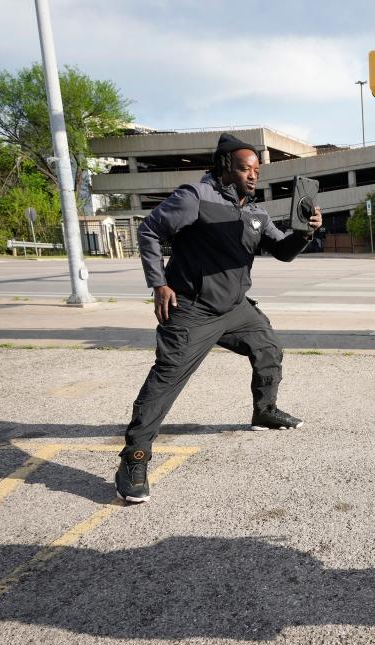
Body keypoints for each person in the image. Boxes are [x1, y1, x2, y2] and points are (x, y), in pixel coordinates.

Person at [116, 133, 322, 504]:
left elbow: (282, 252)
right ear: (226, 165)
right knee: (166, 382)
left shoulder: (254, 212)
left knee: (269, 349)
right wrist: (159, 284)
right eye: (246, 168)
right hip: (192, 310)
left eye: (257, 169)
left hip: (234, 308)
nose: (253, 175)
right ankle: (134, 458)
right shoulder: (195, 198)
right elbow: (148, 231)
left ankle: (264, 412)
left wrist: (306, 231)